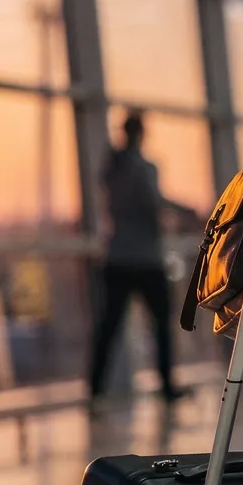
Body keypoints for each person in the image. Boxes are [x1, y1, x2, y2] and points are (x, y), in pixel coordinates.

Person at [86, 111, 196, 401]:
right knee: (161, 325)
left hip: (116, 257)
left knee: (108, 328)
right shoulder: (144, 167)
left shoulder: (110, 169)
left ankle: (96, 390)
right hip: (146, 258)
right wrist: (187, 211)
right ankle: (167, 387)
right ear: (141, 133)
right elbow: (153, 201)